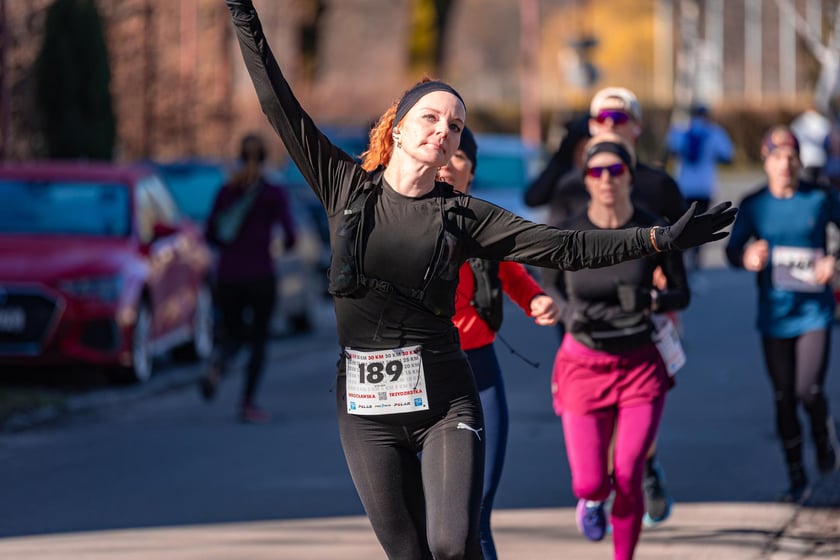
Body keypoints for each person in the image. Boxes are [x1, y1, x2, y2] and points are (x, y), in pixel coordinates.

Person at [225, 2, 735, 557]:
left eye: (456, 126)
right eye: (431, 117)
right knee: (410, 554)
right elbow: (278, 102)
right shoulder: (345, 187)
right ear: (397, 128)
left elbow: (564, 246)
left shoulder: (463, 215)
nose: (444, 131)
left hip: (445, 402)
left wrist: (657, 239)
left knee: (450, 545)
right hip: (366, 409)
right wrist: (242, 12)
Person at [550, 86, 687, 527]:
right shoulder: (571, 185)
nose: (610, 125)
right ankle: (598, 488)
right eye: (601, 119)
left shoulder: (659, 184)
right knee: (594, 422)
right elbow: (549, 249)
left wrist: (661, 284)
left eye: (619, 118)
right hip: (583, 312)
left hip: (644, 313)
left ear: (637, 125)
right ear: (590, 126)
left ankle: (642, 471)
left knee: (637, 418)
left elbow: (679, 249)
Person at [438, 127, 561, 560]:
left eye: (458, 160)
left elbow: (510, 272)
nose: (448, 167)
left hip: (479, 368)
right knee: (434, 522)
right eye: (441, 158)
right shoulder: (405, 220)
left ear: (471, 172)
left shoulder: (482, 222)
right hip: (422, 375)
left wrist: (537, 300)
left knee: (477, 510)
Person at [725, 125, 840, 503]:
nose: (785, 164)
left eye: (791, 157)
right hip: (774, 314)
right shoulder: (755, 204)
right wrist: (747, 256)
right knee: (782, 397)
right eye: (777, 157)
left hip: (815, 311)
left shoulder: (819, 199)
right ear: (766, 160)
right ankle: (795, 476)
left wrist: (833, 263)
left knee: (808, 389)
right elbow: (732, 250)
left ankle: (823, 436)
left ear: (799, 161)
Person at [199, 132, 297, 424]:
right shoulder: (273, 193)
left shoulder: (226, 191)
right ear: (266, 158)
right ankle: (247, 403)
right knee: (257, 340)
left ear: (240, 156)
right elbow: (290, 237)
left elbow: (210, 233)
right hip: (261, 275)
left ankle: (219, 365)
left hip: (228, 275)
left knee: (233, 333)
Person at [666, 103, 734, 271]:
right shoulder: (714, 132)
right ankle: (696, 258)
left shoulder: (680, 130)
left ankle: (682, 257)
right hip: (704, 185)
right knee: (702, 222)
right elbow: (727, 155)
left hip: (683, 185)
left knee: (682, 222)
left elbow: (670, 150)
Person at [523, 112, 591, 227]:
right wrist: (558, 160)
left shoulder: (609, 174)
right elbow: (532, 198)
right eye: (581, 150)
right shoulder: (562, 171)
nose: (585, 156)